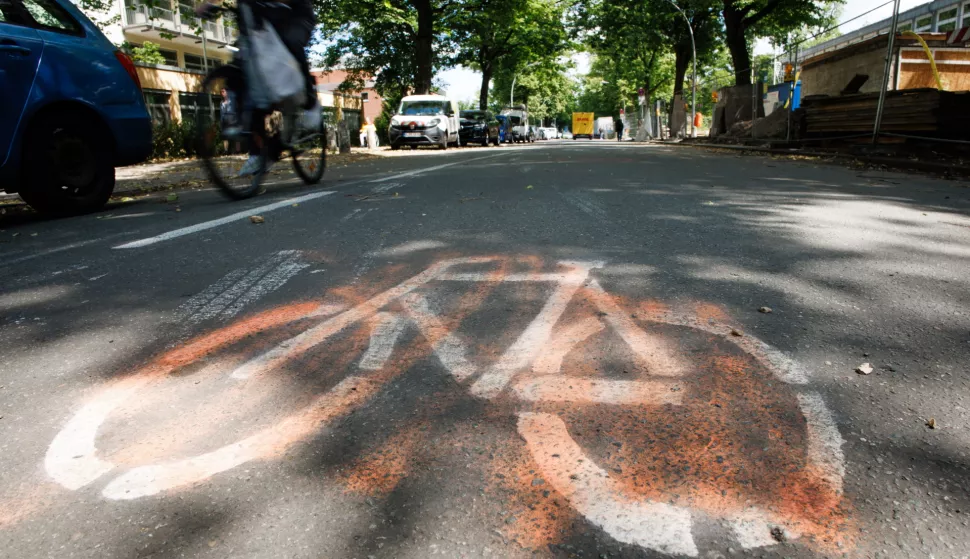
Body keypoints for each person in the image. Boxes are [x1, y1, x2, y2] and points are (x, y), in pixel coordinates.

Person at [197, 0, 318, 176]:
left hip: (293, 12)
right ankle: (260, 152)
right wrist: (210, 4)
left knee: (290, 41)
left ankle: (310, 101)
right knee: (244, 73)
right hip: (256, 18)